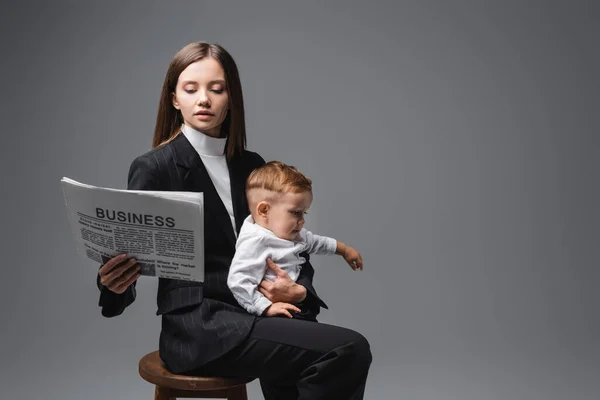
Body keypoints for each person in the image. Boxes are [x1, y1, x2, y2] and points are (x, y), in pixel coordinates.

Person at [96, 41, 372, 399]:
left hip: (258, 314)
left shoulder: (251, 164)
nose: (204, 99)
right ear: (174, 99)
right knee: (347, 348)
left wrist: (300, 290)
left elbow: (291, 241)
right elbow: (127, 257)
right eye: (191, 89)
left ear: (231, 98)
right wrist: (113, 286)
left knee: (309, 332)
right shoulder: (155, 167)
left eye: (217, 88)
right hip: (200, 328)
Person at [227, 160, 364, 321]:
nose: (302, 221)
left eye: (304, 213)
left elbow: (316, 242)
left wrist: (344, 250)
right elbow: (238, 281)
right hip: (273, 314)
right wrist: (265, 307)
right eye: (295, 213)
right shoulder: (255, 241)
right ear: (264, 210)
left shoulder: (291, 233)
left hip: (299, 307)